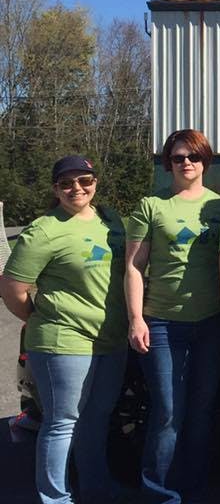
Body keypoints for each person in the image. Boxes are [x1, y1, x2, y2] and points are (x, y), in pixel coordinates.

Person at [0, 155, 128, 504]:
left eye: (85, 181)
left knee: (97, 420)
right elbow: (12, 288)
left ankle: (96, 488)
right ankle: (55, 498)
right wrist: (43, 316)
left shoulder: (111, 221)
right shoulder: (44, 230)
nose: (77, 188)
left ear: (95, 183)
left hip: (112, 339)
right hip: (63, 341)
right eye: (67, 183)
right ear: (55, 189)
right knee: (62, 423)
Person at [124, 129, 220, 504]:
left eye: (194, 157)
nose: (187, 163)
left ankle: (195, 489)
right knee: (168, 412)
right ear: (168, 162)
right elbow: (135, 267)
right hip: (164, 324)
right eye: (178, 157)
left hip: (212, 323)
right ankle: (160, 494)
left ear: (206, 161)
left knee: (201, 411)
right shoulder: (151, 206)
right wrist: (136, 318)